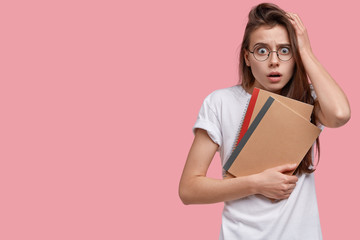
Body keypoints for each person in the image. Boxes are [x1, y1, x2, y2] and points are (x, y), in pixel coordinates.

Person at [178, 3, 351, 240]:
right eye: (262, 51)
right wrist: (256, 184)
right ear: (247, 58)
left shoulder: (308, 98)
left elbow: (340, 114)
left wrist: (307, 52)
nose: (274, 61)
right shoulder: (220, 102)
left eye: (285, 50)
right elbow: (189, 189)